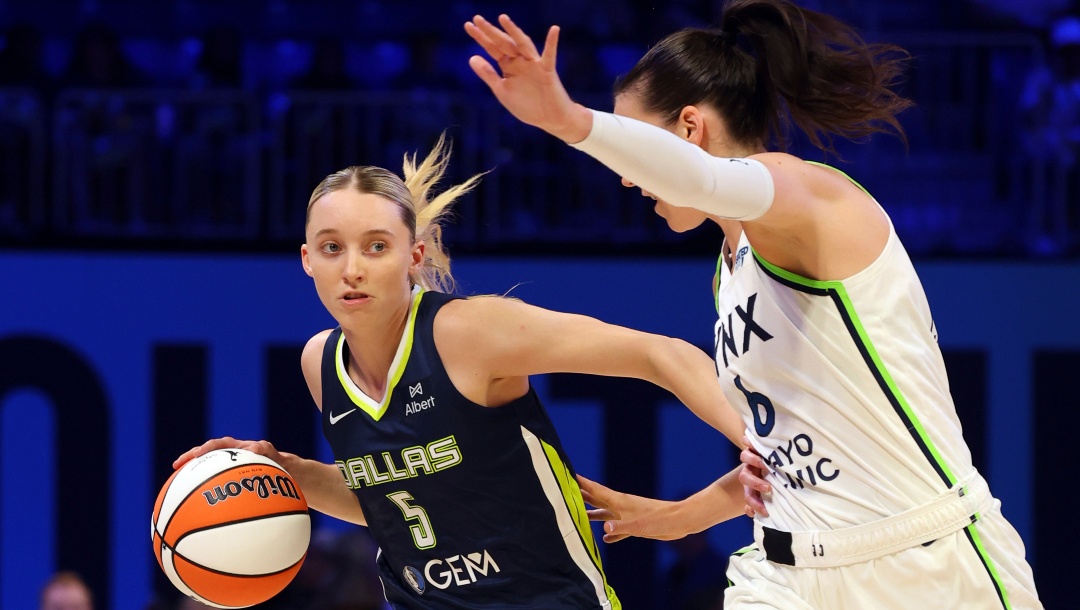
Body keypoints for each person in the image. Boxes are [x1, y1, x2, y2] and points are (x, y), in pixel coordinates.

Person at [463, 2, 1043, 608]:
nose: (627, 178)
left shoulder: (807, 196)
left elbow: (701, 181)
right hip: (783, 570)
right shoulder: (729, 268)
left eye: (632, 148)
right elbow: (783, 454)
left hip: (925, 563)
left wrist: (571, 121)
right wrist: (684, 516)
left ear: (690, 129)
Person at [174, 133, 751, 609]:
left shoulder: (468, 335)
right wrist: (284, 472)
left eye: (376, 247)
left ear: (414, 256)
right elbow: (387, 497)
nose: (352, 269)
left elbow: (662, 354)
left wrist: (755, 446)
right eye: (331, 248)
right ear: (306, 260)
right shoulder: (319, 363)